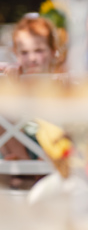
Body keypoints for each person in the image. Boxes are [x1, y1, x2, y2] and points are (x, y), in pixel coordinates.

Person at [0, 15, 61, 188]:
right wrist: (7, 70)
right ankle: (29, 171)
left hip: (54, 146)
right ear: (16, 54)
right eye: (24, 53)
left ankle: (31, 175)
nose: (32, 58)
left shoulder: (59, 79)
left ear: (53, 51)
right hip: (20, 145)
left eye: (39, 50)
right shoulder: (15, 77)